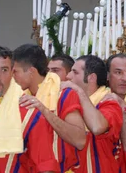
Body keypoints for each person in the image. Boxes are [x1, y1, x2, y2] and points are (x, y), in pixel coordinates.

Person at [13, 44, 86, 173]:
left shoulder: (64, 94)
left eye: (15, 72)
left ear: (31, 72)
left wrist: (43, 110)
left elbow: (79, 140)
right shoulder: (20, 97)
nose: (12, 77)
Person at [62, 54, 123, 173]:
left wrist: (78, 90)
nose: (68, 76)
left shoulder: (110, 102)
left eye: (75, 72)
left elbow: (97, 127)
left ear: (91, 78)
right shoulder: (69, 100)